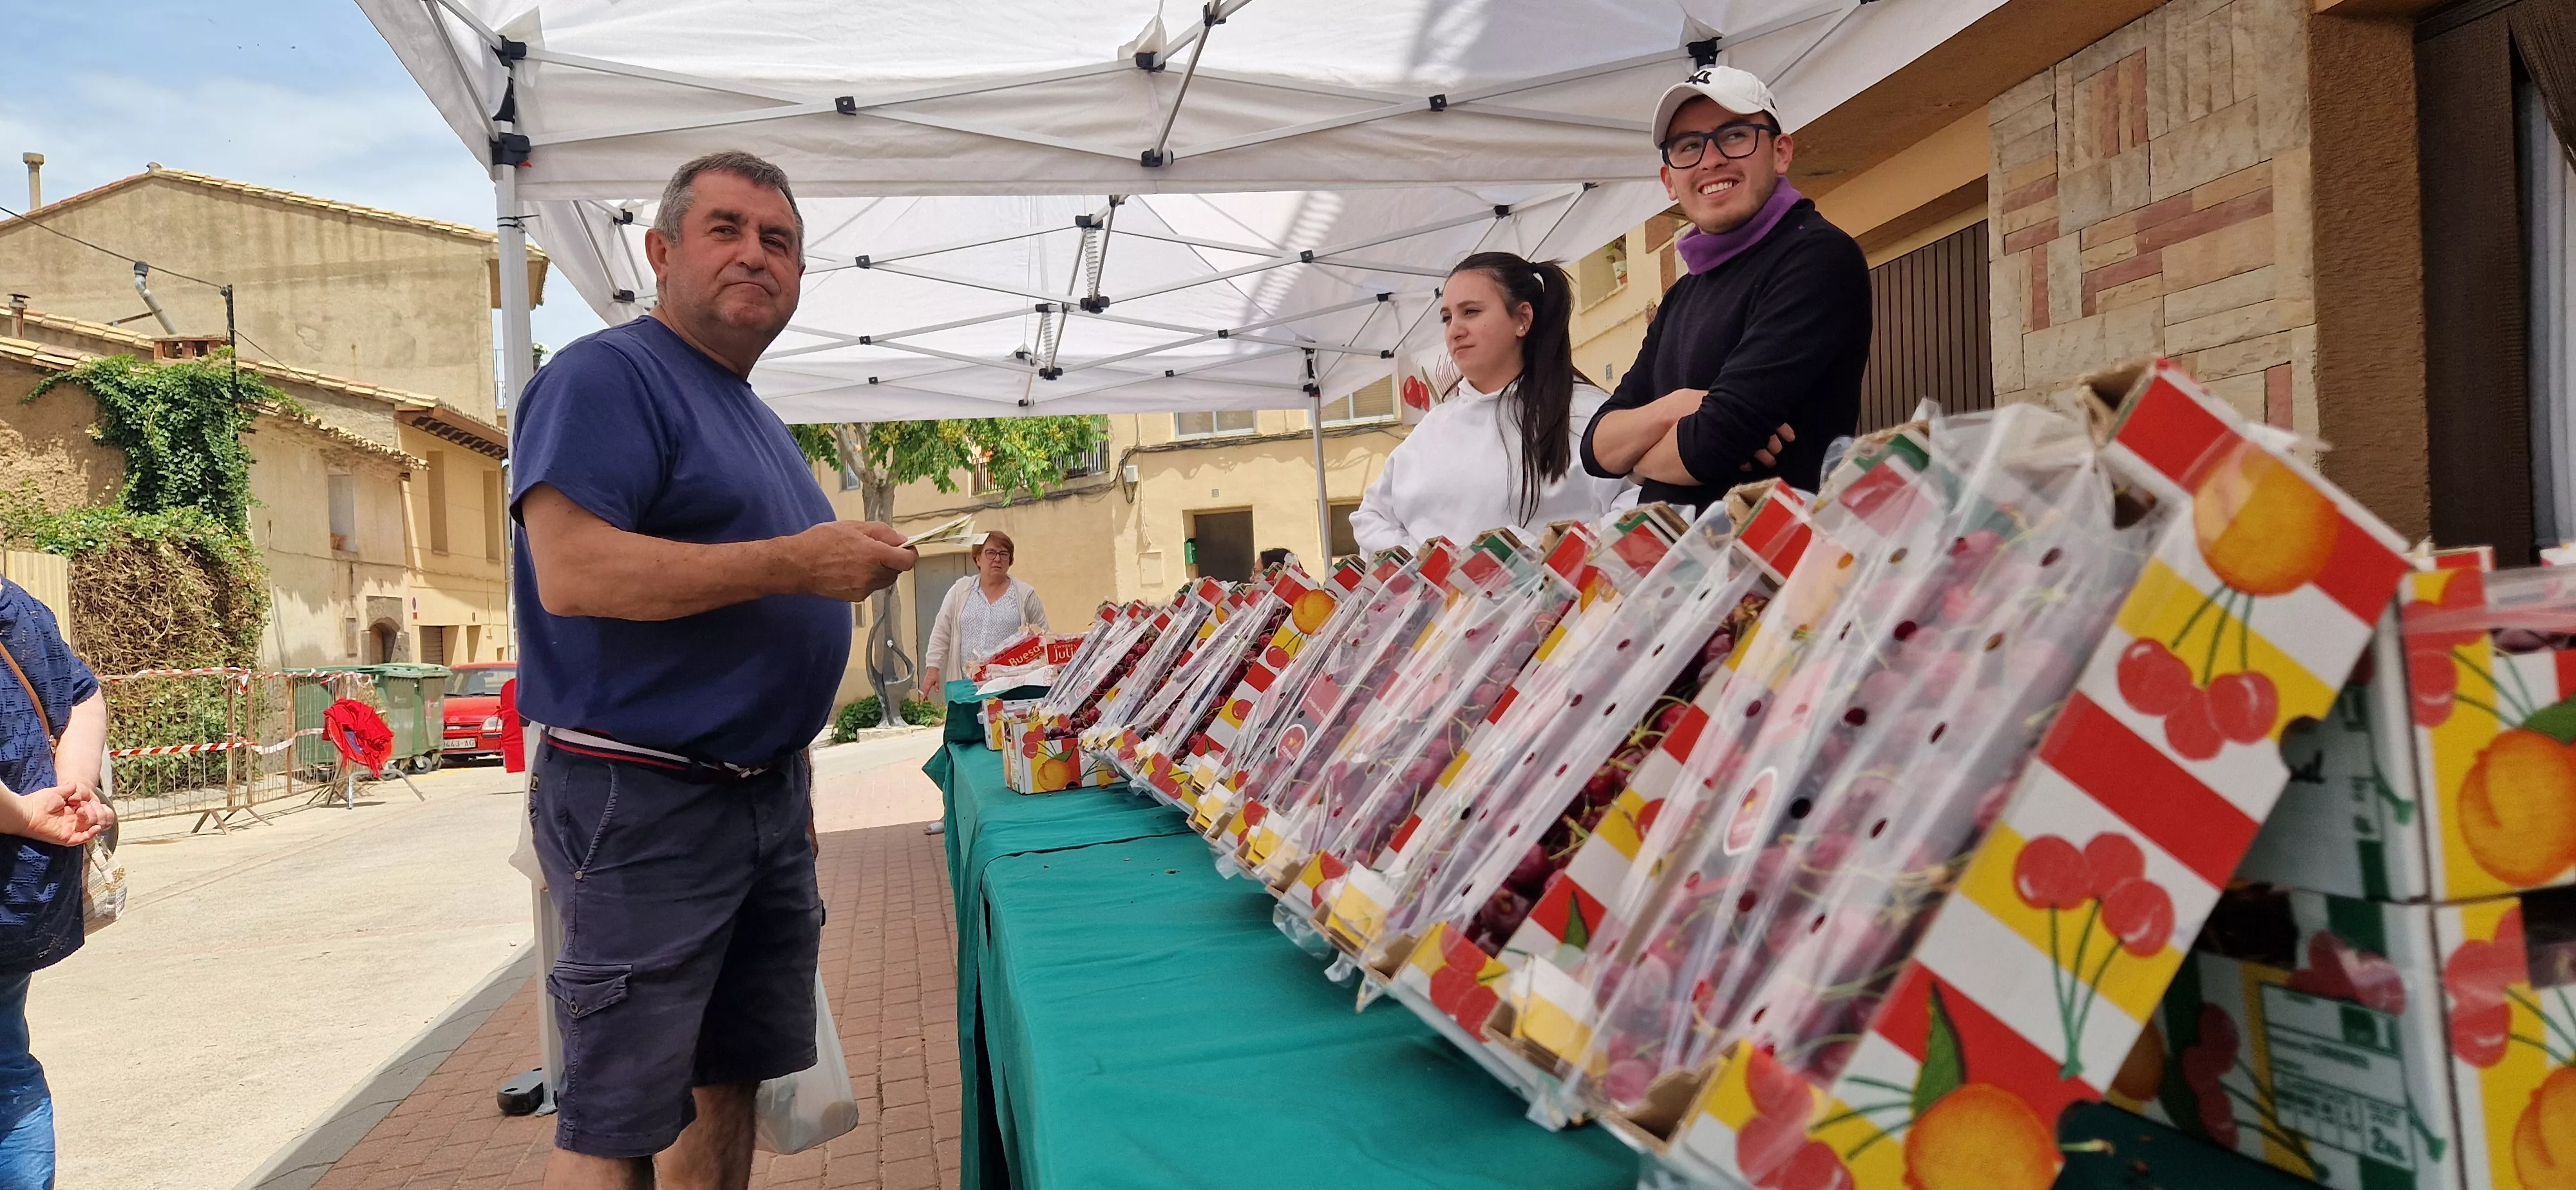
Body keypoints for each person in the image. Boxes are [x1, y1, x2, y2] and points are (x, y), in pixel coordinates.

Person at [511, 150, 916, 1190]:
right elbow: (574, 568)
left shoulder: (745, 409)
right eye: (727, 230)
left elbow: (750, 605)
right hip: (643, 801)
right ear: (660, 251)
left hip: (754, 799)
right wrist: (797, 559)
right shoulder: (607, 375)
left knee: (730, 1077)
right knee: (612, 1118)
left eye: (777, 241)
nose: (756, 256)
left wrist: (789, 768)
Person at [1581, 65, 1871, 510]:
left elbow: (1711, 444)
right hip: (1678, 565)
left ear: (1780, 152)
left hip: (1775, 564)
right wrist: (1674, 407)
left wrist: (1634, 459)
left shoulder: (1817, 257)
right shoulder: (1684, 292)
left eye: (1735, 135)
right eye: (1689, 146)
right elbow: (1596, 450)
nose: (1711, 159)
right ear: (1669, 182)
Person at [1349, 252, 1635, 554]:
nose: (1455, 330)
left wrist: (1543, 560)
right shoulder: (1431, 429)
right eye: (1447, 318)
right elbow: (1371, 518)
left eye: (1470, 312)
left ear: (1523, 318)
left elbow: (1644, 512)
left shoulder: (1588, 416)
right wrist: (1425, 566)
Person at [0, 576, 112, 1189]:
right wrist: (74, 790)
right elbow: (84, 695)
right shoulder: (18, 606)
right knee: (6, 1072)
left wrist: (24, 811)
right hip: (19, 892)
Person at [919, 531, 1048, 697]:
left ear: (1010, 561)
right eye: (991, 553)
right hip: (965, 688)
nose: (997, 559)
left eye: (1004, 554)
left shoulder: (1025, 596)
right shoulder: (960, 591)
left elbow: (1043, 639)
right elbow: (941, 631)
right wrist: (933, 668)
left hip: (1009, 689)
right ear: (978, 559)